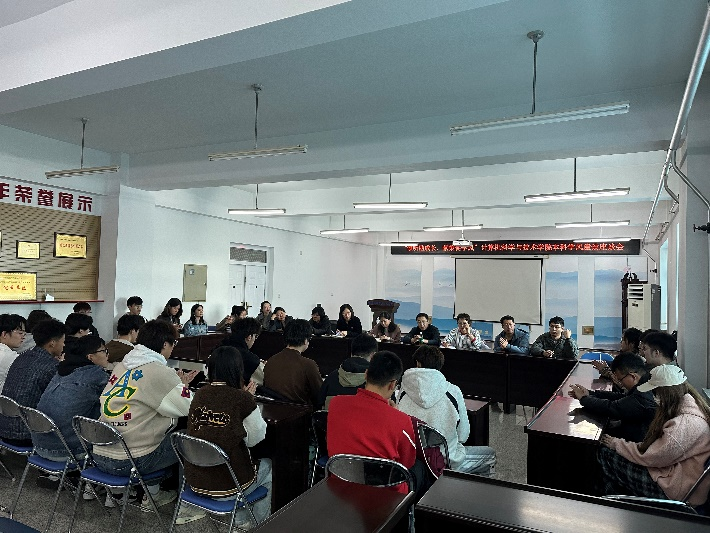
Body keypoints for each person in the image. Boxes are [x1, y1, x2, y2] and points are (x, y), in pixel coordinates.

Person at [93, 320, 198, 509]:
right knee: (187, 439)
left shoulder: (122, 365)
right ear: (165, 344)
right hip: (128, 461)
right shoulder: (159, 371)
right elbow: (189, 407)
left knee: (150, 426)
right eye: (174, 343)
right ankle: (185, 505)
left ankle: (125, 492)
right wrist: (182, 387)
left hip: (99, 455)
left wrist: (175, 387)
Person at [598, 365, 710, 507]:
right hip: (676, 475)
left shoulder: (684, 424)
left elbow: (651, 456)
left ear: (664, 392)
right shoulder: (694, 406)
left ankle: (607, 503)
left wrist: (616, 443)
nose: (654, 397)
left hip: (674, 488)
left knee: (604, 455)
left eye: (655, 392)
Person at [183, 347, 271, 526]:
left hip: (196, 482)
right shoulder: (242, 399)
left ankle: (241, 519)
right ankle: (256, 524)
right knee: (268, 467)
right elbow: (256, 439)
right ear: (238, 370)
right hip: (228, 486)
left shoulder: (199, 394)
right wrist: (249, 401)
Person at [398, 345, 496, 475]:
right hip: (446, 461)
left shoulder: (402, 391)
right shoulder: (453, 391)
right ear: (440, 366)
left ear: (417, 363)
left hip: (412, 462)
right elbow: (463, 436)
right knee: (490, 454)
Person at [327, 351, 416, 494]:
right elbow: (407, 463)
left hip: (340, 486)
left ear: (366, 374)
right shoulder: (402, 420)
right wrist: (394, 414)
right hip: (385, 495)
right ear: (393, 384)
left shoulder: (336, 403)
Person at [34, 335, 110, 462]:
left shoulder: (62, 371)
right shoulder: (96, 374)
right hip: (68, 450)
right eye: (104, 351)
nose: (107, 354)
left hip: (40, 445)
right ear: (90, 357)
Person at [0, 319, 64, 447]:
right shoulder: (51, 366)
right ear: (52, 343)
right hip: (28, 434)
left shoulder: (21, 357)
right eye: (63, 341)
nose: (64, 345)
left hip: (4, 428)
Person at [568, 352, 656, 442]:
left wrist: (584, 399)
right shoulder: (645, 385)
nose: (620, 383)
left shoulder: (643, 396)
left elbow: (612, 407)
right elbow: (620, 397)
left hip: (634, 444)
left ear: (633, 376)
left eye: (620, 380)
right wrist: (590, 394)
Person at [262, 319, 322, 405]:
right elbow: (320, 395)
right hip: (299, 411)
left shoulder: (271, 360)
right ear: (305, 340)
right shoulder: (308, 365)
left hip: (270, 410)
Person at [318, 333, 377, 410]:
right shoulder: (377, 383)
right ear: (373, 355)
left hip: (334, 417)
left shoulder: (332, 377)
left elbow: (319, 404)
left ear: (351, 352)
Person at [221, 317, 262, 383]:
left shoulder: (219, 348)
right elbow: (264, 380)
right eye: (256, 336)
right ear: (249, 337)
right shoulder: (252, 360)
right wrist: (262, 366)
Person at [0, 314, 26, 391]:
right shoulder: (8, 356)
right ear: (4, 334)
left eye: (24, 333)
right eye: (20, 333)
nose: (23, 337)